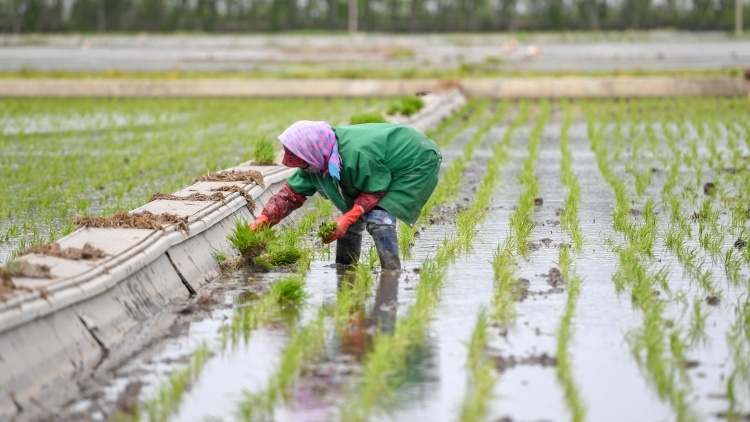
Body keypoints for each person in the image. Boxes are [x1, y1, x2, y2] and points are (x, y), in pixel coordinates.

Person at [248, 120, 442, 270]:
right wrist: (265, 218)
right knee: (349, 220)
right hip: (379, 165)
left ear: (311, 149)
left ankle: (391, 272)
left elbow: (374, 190)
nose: (285, 160)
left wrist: (347, 217)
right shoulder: (316, 160)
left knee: (378, 217)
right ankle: (345, 268)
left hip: (414, 159)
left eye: (292, 154)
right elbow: (291, 194)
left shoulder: (356, 154)